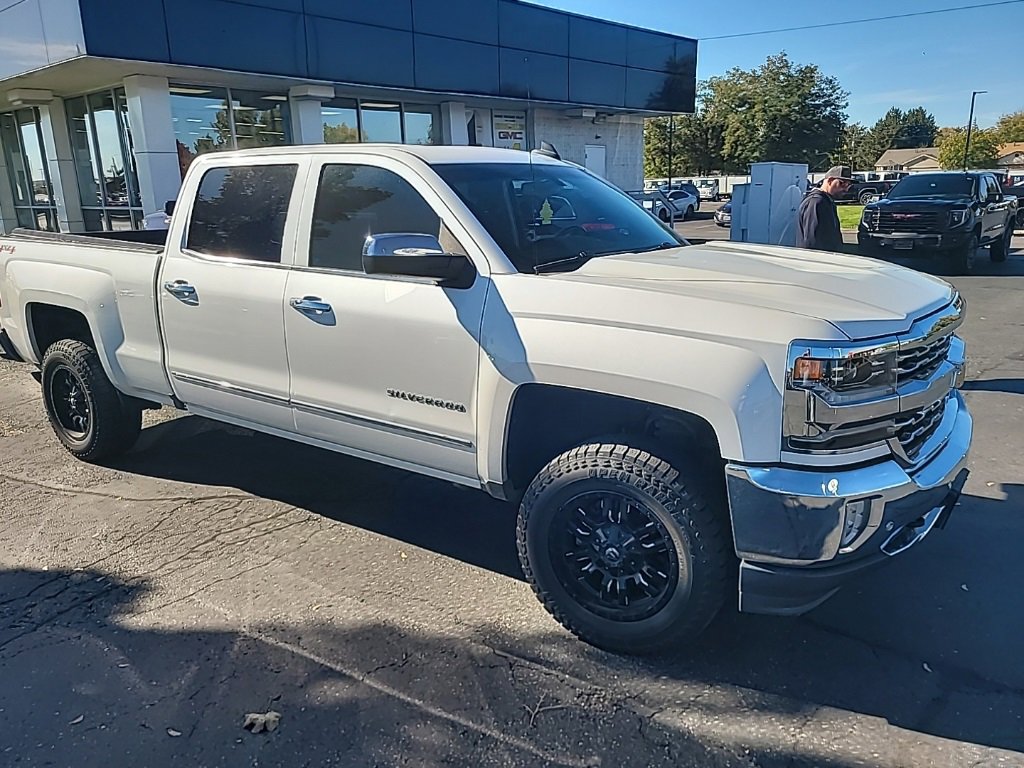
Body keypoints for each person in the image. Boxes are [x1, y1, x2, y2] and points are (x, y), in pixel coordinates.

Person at [797, 165, 853, 252]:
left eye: (848, 185)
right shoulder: (816, 202)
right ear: (830, 181)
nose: (845, 189)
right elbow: (811, 242)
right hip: (817, 262)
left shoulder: (827, 201)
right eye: (842, 183)